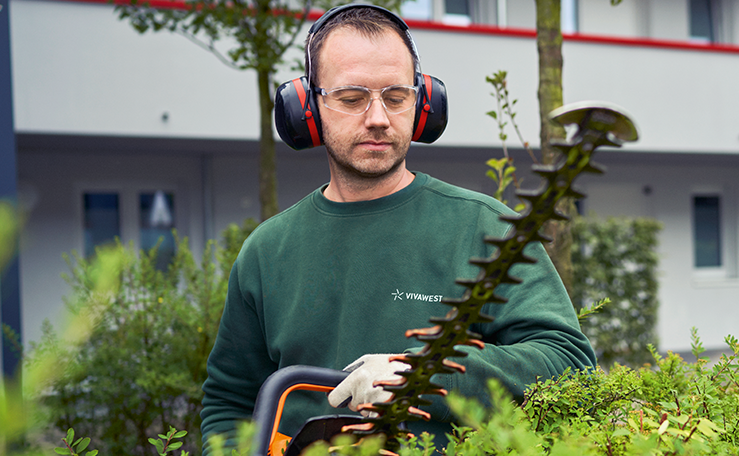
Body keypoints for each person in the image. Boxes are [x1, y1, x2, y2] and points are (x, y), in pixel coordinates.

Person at [199, 3, 596, 452]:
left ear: (423, 104)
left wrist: (426, 374)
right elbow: (229, 402)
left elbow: (567, 362)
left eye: (395, 97)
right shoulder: (266, 252)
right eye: (351, 98)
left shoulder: (486, 228)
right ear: (308, 108)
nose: (377, 118)